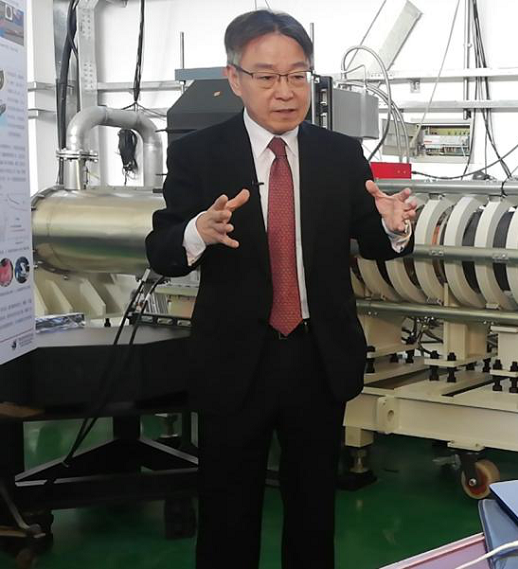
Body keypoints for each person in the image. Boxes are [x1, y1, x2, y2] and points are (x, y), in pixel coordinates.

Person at [144, 10, 417, 569]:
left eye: (297, 75)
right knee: (227, 514)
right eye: (267, 77)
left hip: (318, 356)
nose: (285, 92)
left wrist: (393, 226)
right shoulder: (199, 154)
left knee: (314, 511)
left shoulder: (340, 154)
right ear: (234, 77)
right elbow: (162, 249)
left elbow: (374, 242)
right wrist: (198, 231)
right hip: (235, 359)